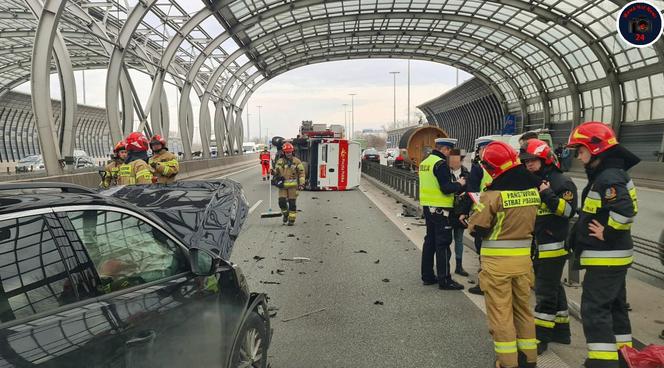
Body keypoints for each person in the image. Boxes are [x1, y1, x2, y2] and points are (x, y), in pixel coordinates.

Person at [566, 122, 640, 368]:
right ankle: (623, 358)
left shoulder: (608, 176)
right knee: (616, 309)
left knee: (595, 311)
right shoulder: (610, 172)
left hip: (607, 257)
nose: (578, 155)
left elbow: (625, 212)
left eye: (580, 149)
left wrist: (606, 232)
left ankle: (601, 363)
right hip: (615, 257)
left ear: (595, 148)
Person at [468, 141, 542, 368]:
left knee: (501, 315)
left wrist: (469, 217)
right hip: (523, 263)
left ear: (493, 168)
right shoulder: (532, 191)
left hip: (497, 266)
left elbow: (477, 228)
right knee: (524, 311)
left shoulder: (493, 195)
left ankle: (508, 363)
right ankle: (529, 359)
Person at [520, 139, 577, 354]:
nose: (528, 165)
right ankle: (561, 331)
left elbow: (569, 212)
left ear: (544, 159)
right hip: (540, 245)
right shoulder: (536, 180)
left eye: (532, 161)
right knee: (554, 288)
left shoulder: (562, 182)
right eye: (526, 161)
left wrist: (547, 195)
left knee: (544, 291)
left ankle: (541, 336)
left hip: (554, 247)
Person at [419, 138, 466, 290]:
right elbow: (446, 188)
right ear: (445, 149)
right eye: (449, 151)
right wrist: (460, 183)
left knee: (430, 242)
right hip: (441, 211)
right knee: (443, 244)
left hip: (428, 208)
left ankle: (427, 276)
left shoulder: (425, 162)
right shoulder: (440, 164)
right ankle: (445, 280)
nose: (450, 154)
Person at [467, 138, 494, 295]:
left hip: (483, 214)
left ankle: (483, 284)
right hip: (497, 213)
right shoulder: (502, 167)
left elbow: (472, 191)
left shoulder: (478, 168)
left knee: (483, 250)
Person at [448, 148, 471, 277]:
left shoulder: (467, 174)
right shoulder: (445, 172)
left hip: (460, 211)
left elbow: (470, 193)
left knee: (459, 239)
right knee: (446, 239)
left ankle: (459, 266)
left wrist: (465, 211)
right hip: (447, 210)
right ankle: (445, 265)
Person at [274, 142, 305, 226]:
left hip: (293, 187)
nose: (288, 154)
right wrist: (272, 172)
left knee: (292, 204)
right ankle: (285, 214)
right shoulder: (280, 161)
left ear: (292, 152)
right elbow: (276, 171)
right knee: (281, 202)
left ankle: (291, 220)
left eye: (290, 152)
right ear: (284, 152)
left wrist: (302, 184)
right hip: (283, 186)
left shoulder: (297, 161)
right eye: (287, 152)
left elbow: (301, 173)